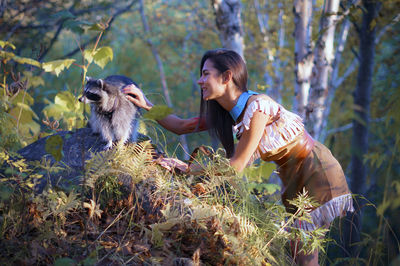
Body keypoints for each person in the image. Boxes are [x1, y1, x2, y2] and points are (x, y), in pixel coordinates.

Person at [123, 48, 353, 265]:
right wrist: (145, 104)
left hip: (316, 171)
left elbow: (237, 165)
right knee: (297, 252)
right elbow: (182, 125)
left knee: (301, 251)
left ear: (227, 77)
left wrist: (188, 168)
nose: (200, 81)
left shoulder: (258, 107)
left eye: (205, 74)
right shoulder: (231, 113)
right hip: (293, 178)